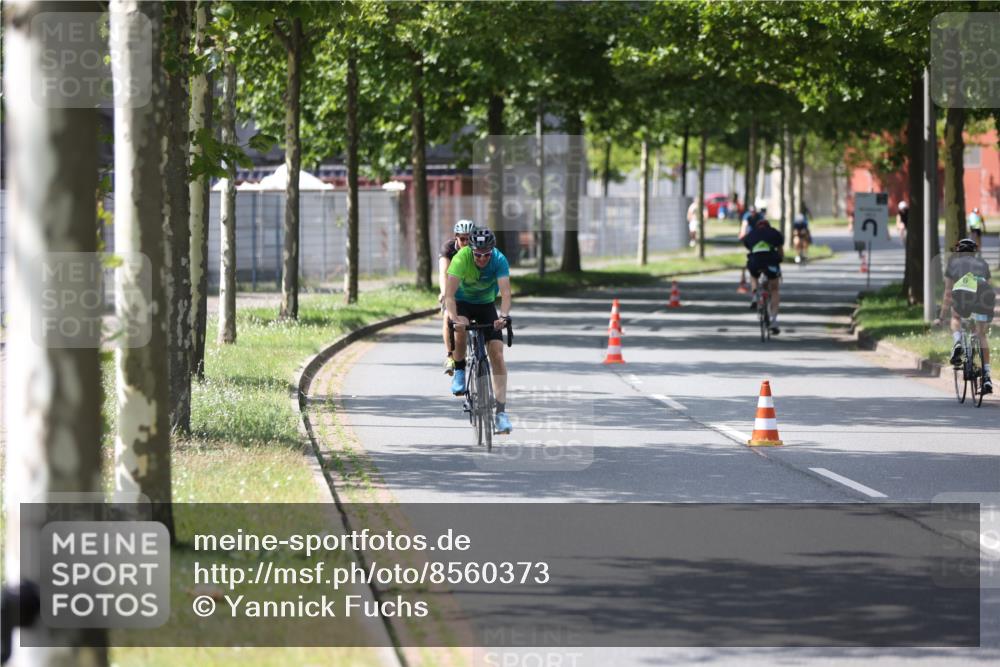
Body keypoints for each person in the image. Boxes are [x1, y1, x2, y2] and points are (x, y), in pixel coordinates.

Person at [444, 227, 514, 434]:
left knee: (497, 354)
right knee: (461, 328)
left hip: (486, 305)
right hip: (462, 302)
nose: (482, 259)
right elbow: (449, 295)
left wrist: (502, 317)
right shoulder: (461, 259)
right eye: (477, 254)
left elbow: (506, 293)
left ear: (492, 251)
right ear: (471, 250)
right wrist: (455, 319)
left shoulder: (499, 259)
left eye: (486, 255)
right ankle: (459, 369)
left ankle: (501, 413)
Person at [937, 237, 994, 394]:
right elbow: (989, 285)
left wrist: (941, 316)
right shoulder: (983, 263)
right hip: (984, 296)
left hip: (964, 295)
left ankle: (957, 343)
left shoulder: (953, 264)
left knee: (955, 317)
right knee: (981, 334)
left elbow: (948, 293)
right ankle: (987, 376)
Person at [438, 220, 475, 375]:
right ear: (456, 238)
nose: (465, 242)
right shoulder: (449, 248)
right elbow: (443, 273)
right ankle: (450, 355)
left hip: (473, 290)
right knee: (448, 316)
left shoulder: (479, 249)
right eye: (462, 239)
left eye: (469, 239)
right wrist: (445, 293)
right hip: (454, 290)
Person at [742, 214, 784, 335]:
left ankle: (755, 294)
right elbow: (780, 253)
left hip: (756, 262)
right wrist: (779, 262)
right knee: (775, 289)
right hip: (771, 261)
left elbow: (748, 247)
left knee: (753, 274)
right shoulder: (775, 233)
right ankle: (773, 319)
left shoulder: (751, 234)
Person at [736, 206, 761, 293]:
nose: (752, 213)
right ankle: (745, 280)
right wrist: (742, 233)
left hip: (758, 237)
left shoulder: (760, 216)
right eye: (751, 212)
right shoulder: (747, 216)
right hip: (750, 237)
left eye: (754, 212)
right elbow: (744, 225)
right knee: (748, 257)